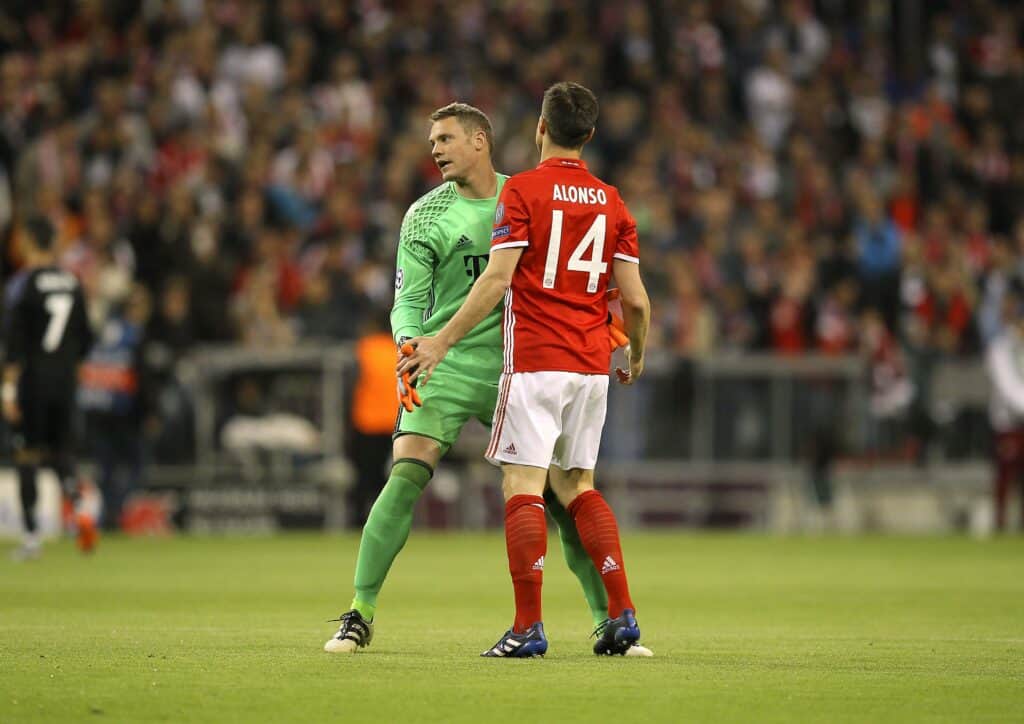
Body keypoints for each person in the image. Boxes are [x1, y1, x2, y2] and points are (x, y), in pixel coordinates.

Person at [324, 103, 635, 655]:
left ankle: (602, 619)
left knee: (561, 497)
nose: (435, 148)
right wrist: (409, 347)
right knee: (405, 476)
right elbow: (408, 300)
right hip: (443, 364)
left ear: (480, 140)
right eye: (431, 140)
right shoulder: (424, 215)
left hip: (517, 364)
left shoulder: (523, 195)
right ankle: (359, 611)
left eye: (445, 138)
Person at [401, 82, 651, 657]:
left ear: (540, 128)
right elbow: (635, 300)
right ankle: (623, 614)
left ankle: (527, 627)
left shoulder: (523, 193)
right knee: (579, 485)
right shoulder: (613, 202)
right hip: (591, 368)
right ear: (587, 136)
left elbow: (496, 279)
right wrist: (635, 355)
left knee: (522, 487)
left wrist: (438, 341)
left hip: (537, 361)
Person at [3, 215, 95, 559]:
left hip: (33, 381)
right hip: (65, 383)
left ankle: (31, 540)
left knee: (27, 454)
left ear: (28, 241)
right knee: (62, 455)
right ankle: (82, 511)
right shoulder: (73, 282)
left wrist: (9, 391)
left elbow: (14, 344)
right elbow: (86, 340)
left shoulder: (22, 285)